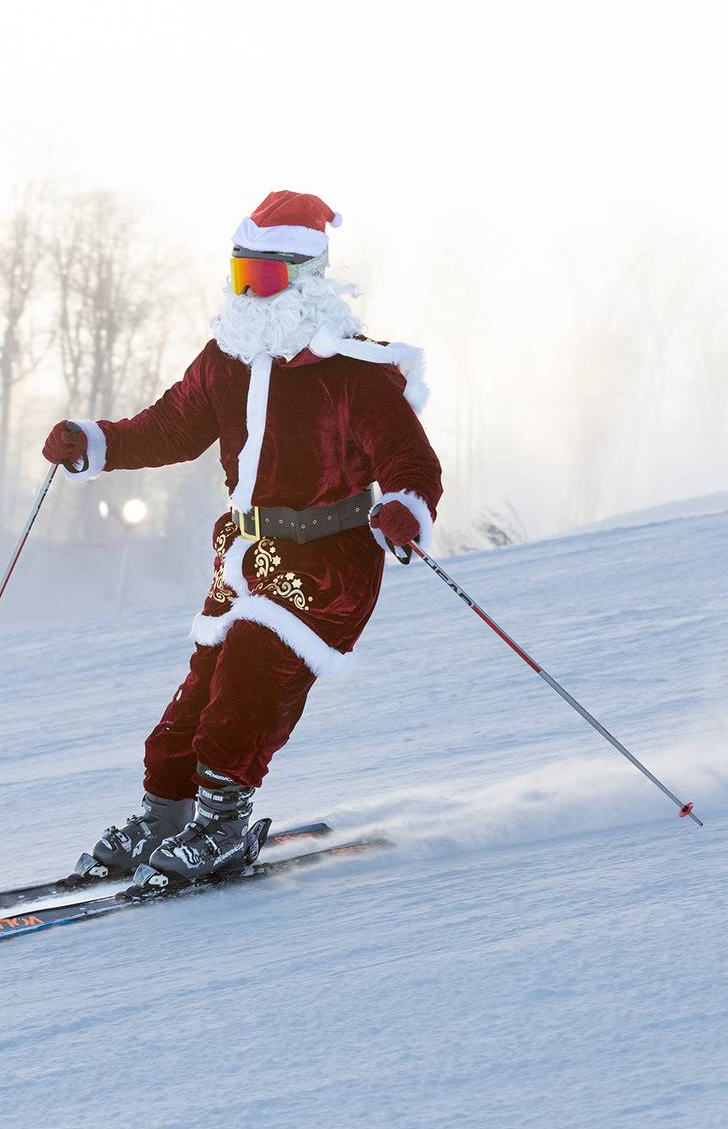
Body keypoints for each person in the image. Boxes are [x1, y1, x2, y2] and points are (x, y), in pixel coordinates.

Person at [42, 190, 442, 885]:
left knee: (250, 684)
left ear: (307, 276)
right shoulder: (227, 358)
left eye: (265, 278)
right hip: (247, 555)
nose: (250, 295)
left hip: (328, 559)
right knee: (189, 706)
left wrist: (405, 507)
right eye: (240, 277)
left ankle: (224, 821)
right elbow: (170, 428)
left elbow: (410, 463)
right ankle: (162, 816)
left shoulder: (353, 371)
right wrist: (93, 443)